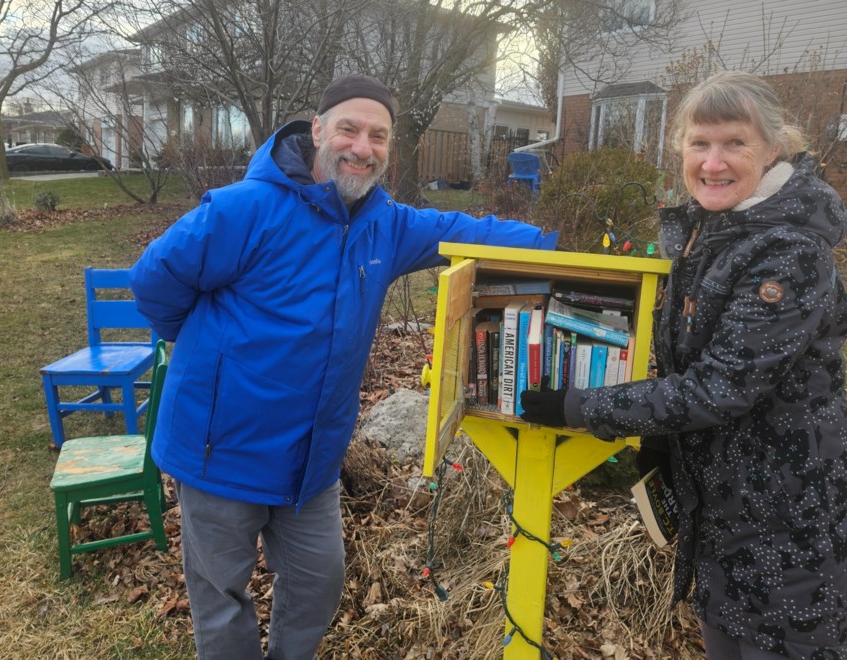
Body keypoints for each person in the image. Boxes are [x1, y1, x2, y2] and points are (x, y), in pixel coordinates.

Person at [129, 74, 557, 660]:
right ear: (317, 131)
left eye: (378, 136)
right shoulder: (243, 210)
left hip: (312, 461)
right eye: (349, 129)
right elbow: (154, 282)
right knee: (221, 597)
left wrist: (560, 245)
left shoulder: (387, 224)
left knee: (317, 583)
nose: (362, 146)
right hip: (220, 448)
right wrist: (206, 346)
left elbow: (469, 232)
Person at [520, 70, 847, 659]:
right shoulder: (711, 232)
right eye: (699, 143)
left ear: (774, 148)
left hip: (789, 524)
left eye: (735, 143)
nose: (713, 162)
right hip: (728, 514)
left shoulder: (788, 252)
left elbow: (718, 388)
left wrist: (579, 405)